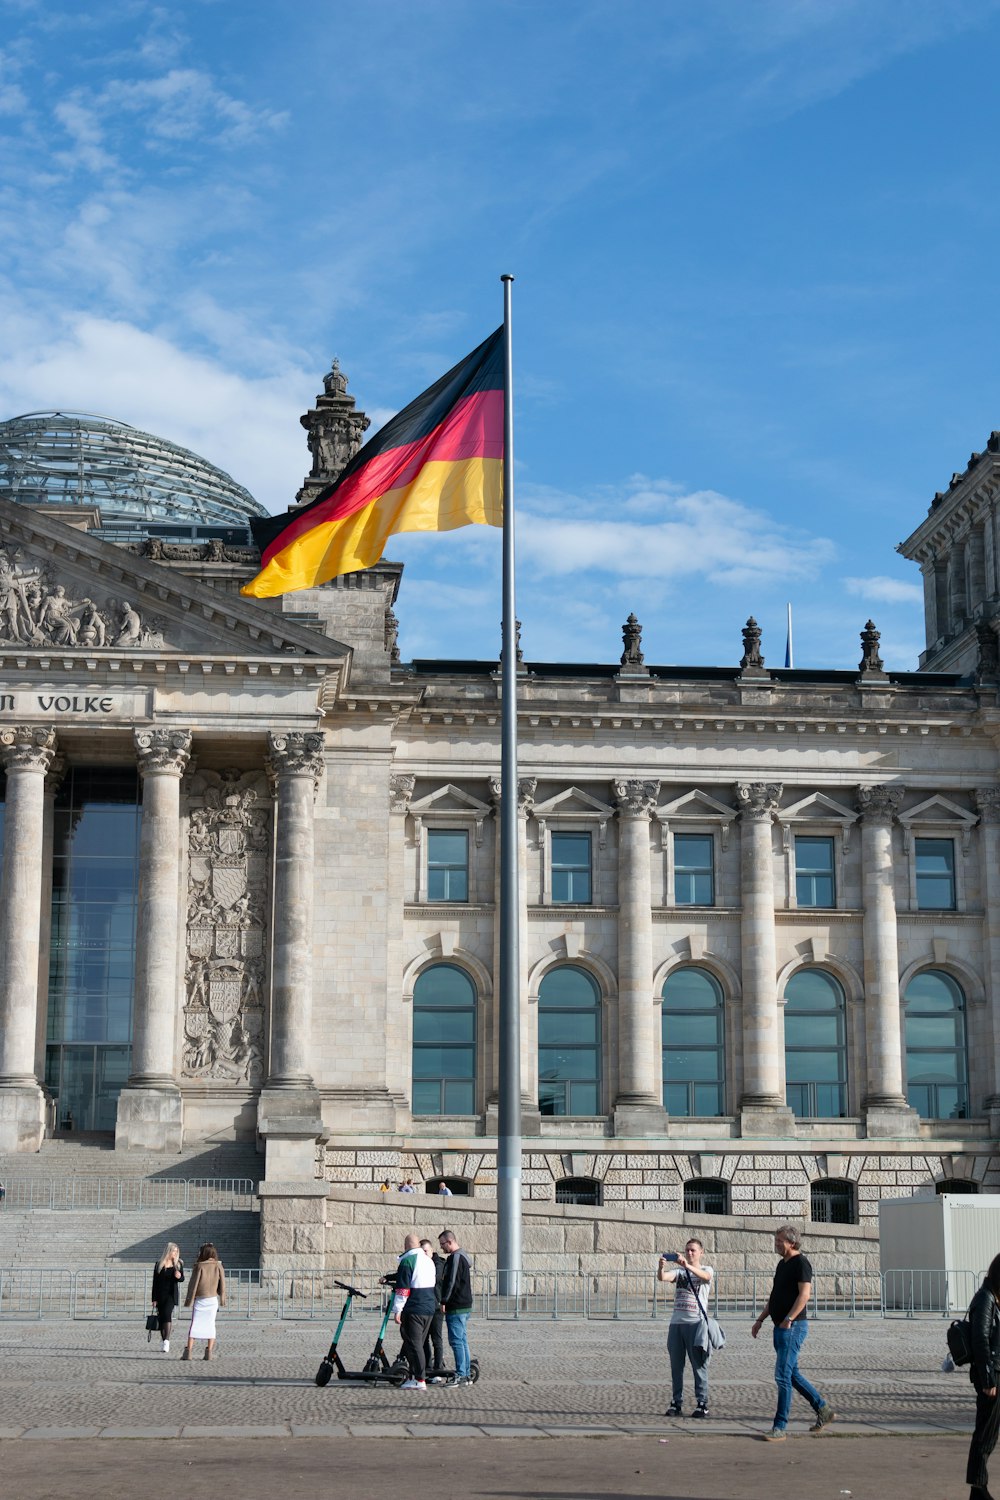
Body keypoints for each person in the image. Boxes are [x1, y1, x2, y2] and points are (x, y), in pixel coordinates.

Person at [751, 1224, 835, 1441]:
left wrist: (789, 1319)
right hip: (780, 1326)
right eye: (776, 1240)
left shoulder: (801, 1263)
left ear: (792, 1242)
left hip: (793, 1327)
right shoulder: (782, 1264)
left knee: (782, 1376)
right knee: (793, 1374)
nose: (776, 1244)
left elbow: (804, 1295)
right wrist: (760, 1319)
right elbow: (774, 1296)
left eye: (780, 1241)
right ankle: (823, 1410)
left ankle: (779, 1427)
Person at [657, 1237, 714, 1418]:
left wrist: (687, 1266)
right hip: (677, 1324)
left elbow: (706, 1277)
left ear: (701, 1252)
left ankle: (702, 1403)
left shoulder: (706, 1269)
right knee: (676, 1366)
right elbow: (663, 1278)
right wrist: (661, 1267)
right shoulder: (679, 1272)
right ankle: (676, 1402)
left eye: (693, 1250)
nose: (689, 1253)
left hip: (696, 1324)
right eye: (687, 1250)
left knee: (699, 1365)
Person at [967, 1252, 1000, 1500]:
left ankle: (978, 1490)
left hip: (996, 1373)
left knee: (989, 1433)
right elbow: (980, 1340)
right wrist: (988, 1380)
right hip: (992, 1378)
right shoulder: (986, 1299)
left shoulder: (993, 1299)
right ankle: (978, 1490)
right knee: (985, 1434)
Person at [391, 1232, 438, 1390]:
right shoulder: (428, 1261)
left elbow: (402, 1289)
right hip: (429, 1307)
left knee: (414, 1344)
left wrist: (397, 1310)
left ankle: (419, 1379)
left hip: (414, 1308)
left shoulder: (408, 1261)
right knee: (418, 1343)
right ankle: (414, 1376)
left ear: (406, 1246)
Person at [438, 1228, 474, 1386]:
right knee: (462, 1340)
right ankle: (465, 1374)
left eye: (442, 1244)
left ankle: (461, 1375)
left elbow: (451, 1282)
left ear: (450, 1241)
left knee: (457, 1341)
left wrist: (444, 1301)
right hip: (463, 1305)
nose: (441, 1248)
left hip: (457, 1305)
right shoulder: (463, 1256)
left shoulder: (456, 1258)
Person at [182, 1242, 226, 1362]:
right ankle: (209, 1353)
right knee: (211, 1325)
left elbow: (193, 1284)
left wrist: (189, 1299)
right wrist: (222, 1297)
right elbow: (222, 1284)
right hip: (212, 1299)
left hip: (200, 1299)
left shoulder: (199, 1266)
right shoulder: (218, 1266)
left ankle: (188, 1352)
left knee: (194, 1324)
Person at [420, 1238, 447, 1381]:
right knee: (424, 1339)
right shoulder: (422, 1263)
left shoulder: (438, 1263)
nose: (424, 1254)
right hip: (425, 1306)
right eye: (422, 1251)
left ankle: (438, 1370)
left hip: (436, 1307)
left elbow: (435, 1278)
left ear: (432, 1250)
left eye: (426, 1251)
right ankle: (428, 1368)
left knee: (436, 1339)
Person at [150, 1242, 184, 1354]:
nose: (174, 1253)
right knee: (162, 1318)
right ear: (168, 1251)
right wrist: (154, 1298)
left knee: (168, 1315)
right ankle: (164, 1339)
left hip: (171, 1295)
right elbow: (155, 1283)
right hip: (160, 1295)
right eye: (173, 1251)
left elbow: (182, 1278)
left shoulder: (178, 1264)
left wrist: (179, 1277)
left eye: (176, 1251)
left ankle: (167, 1341)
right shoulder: (159, 1264)